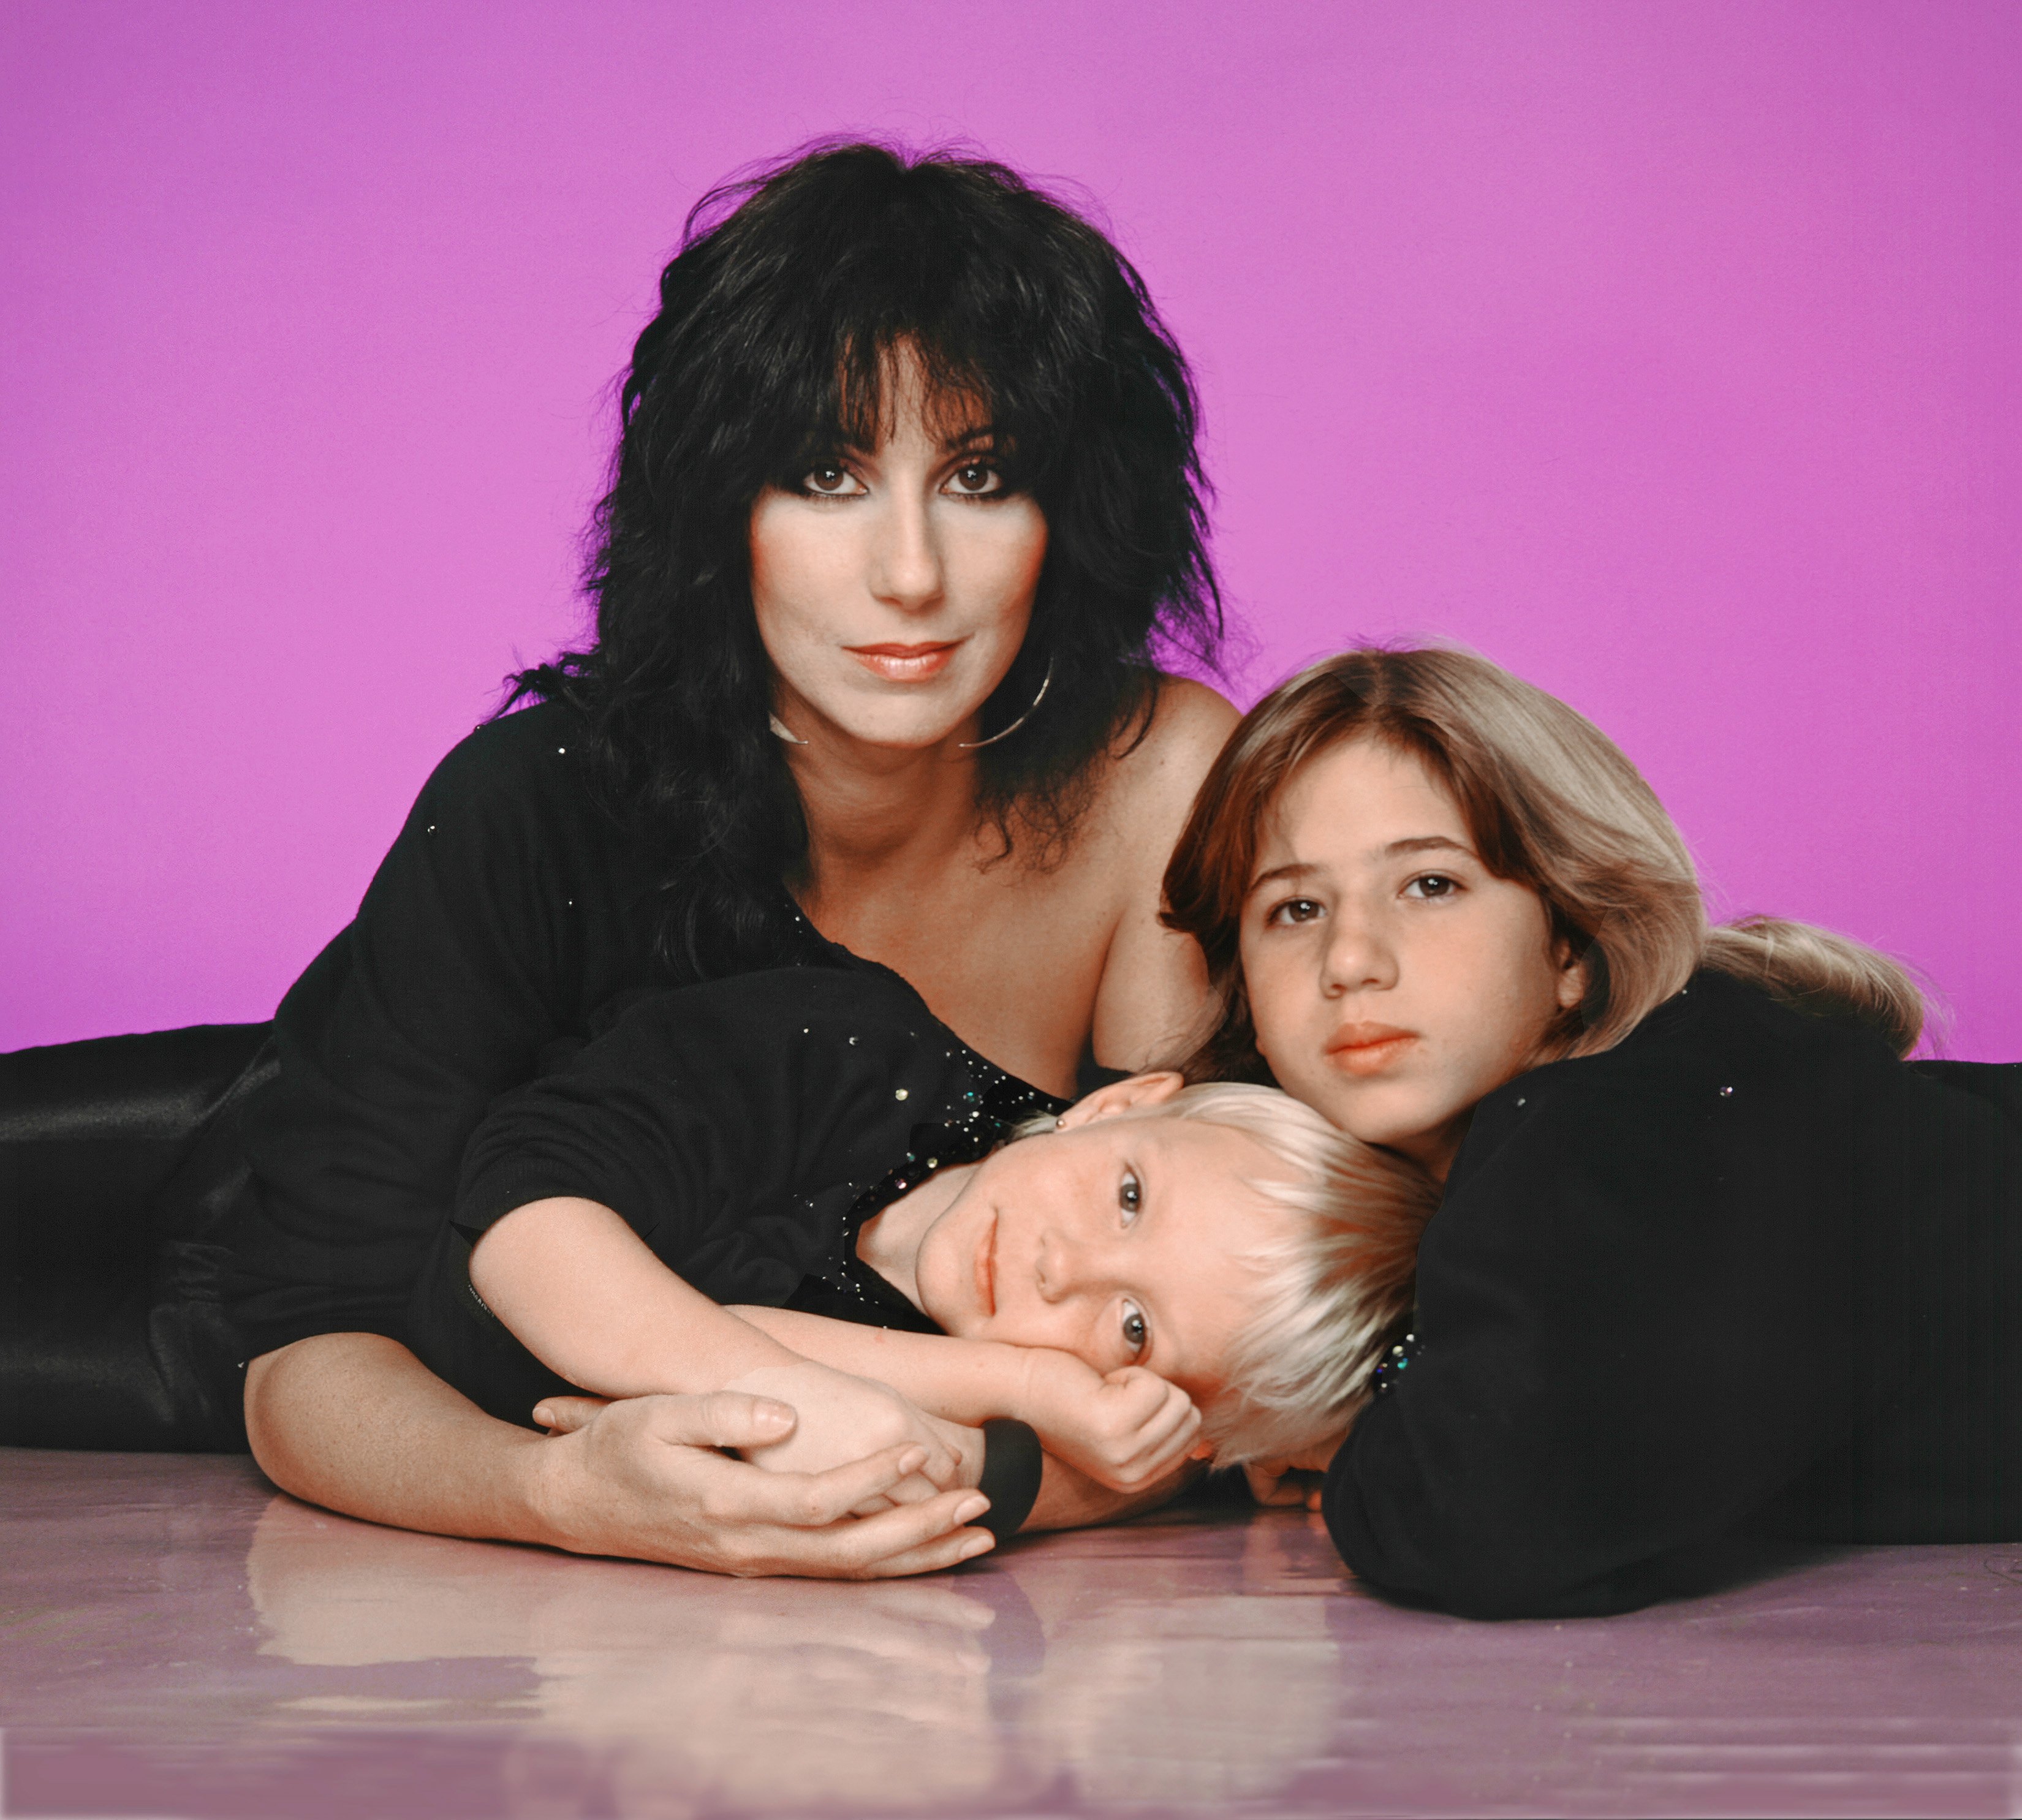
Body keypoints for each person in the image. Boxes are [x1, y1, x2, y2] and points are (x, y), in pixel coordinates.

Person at [0, 141, 1240, 1580]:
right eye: (827, 474)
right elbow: (297, 1352)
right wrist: (567, 1497)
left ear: (1072, 515)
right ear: (724, 516)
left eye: (979, 476)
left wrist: (976, 1466)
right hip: (264, 1244)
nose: (912, 572)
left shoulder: (1158, 780)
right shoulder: (542, 798)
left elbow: (1202, 1356)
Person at [1161, 646, 2022, 1618]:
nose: (1351, 960)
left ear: (1571, 943)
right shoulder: (1553, 1161)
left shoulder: (1649, 1106)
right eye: (1296, 908)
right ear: (1248, 998)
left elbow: (1484, 1517)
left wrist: (1348, 1439)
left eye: (1430, 886)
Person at [379, 964, 1434, 1559]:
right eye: (1128, 1196)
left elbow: (731, 1366)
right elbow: (524, 1232)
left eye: (1133, 1328)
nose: (1063, 1269)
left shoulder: (982, 1402)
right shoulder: (853, 1051)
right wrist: (1024, 1377)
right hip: (268, 1170)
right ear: (1120, 1103)